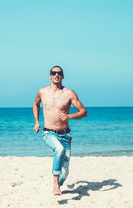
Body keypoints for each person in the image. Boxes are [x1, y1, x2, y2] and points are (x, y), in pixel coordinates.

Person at [33, 65, 87, 196]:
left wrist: (70, 116)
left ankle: (59, 183)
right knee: (59, 149)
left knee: (65, 172)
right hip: (48, 132)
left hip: (65, 135)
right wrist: (36, 122)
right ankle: (55, 185)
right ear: (50, 76)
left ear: (63, 76)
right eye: (54, 73)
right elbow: (36, 104)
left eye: (59, 73)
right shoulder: (42, 92)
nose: (56, 75)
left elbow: (84, 112)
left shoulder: (69, 93)